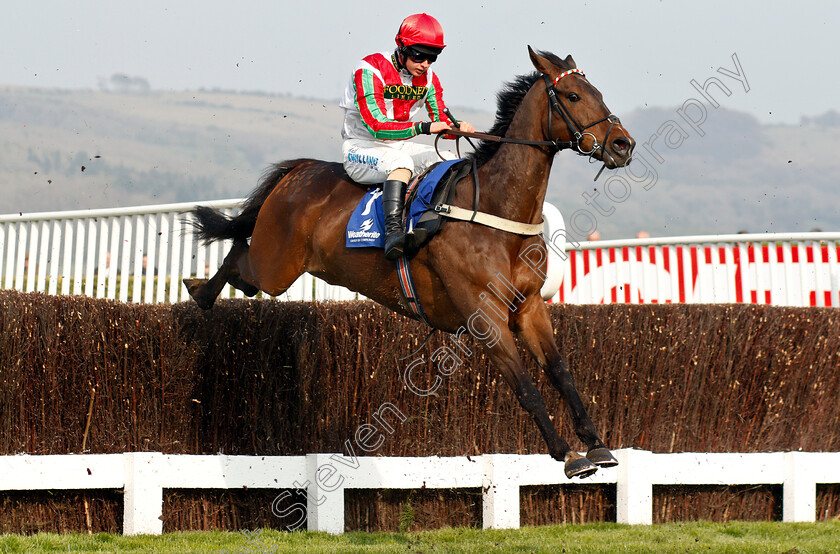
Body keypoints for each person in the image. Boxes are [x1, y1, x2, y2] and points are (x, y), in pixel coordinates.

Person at [339, 13, 475, 260]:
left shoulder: (429, 79)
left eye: (432, 57)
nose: (425, 64)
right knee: (401, 164)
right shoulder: (369, 69)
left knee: (448, 161)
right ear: (401, 47)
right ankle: (394, 234)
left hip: (398, 146)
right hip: (360, 148)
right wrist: (424, 128)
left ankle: (432, 224)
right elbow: (376, 126)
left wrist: (456, 129)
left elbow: (440, 120)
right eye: (419, 55)